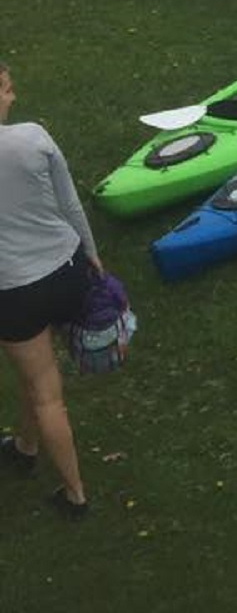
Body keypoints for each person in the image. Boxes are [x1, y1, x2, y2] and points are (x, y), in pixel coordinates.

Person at [0, 61, 99, 520]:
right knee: (37, 374)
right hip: (67, 269)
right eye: (6, 89)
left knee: (45, 392)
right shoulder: (34, 137)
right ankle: (23, 446)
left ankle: (74, 495)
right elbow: (69, 202)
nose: (13, 97)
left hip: (15, 290)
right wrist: (93, 255)